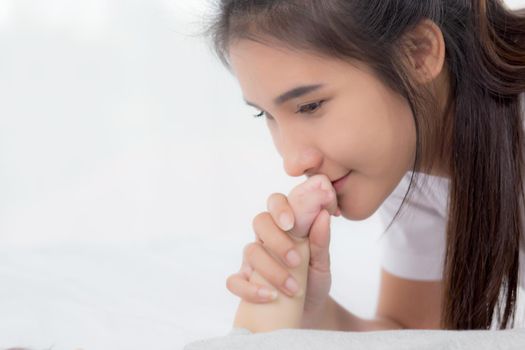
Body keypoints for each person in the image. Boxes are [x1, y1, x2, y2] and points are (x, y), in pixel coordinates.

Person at [201, 0, 525, 331]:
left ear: (418, 53)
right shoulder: (408, 162)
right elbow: (412, 331)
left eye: (310, 106)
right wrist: (310, 309)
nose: (293, 163)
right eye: (266, 114)